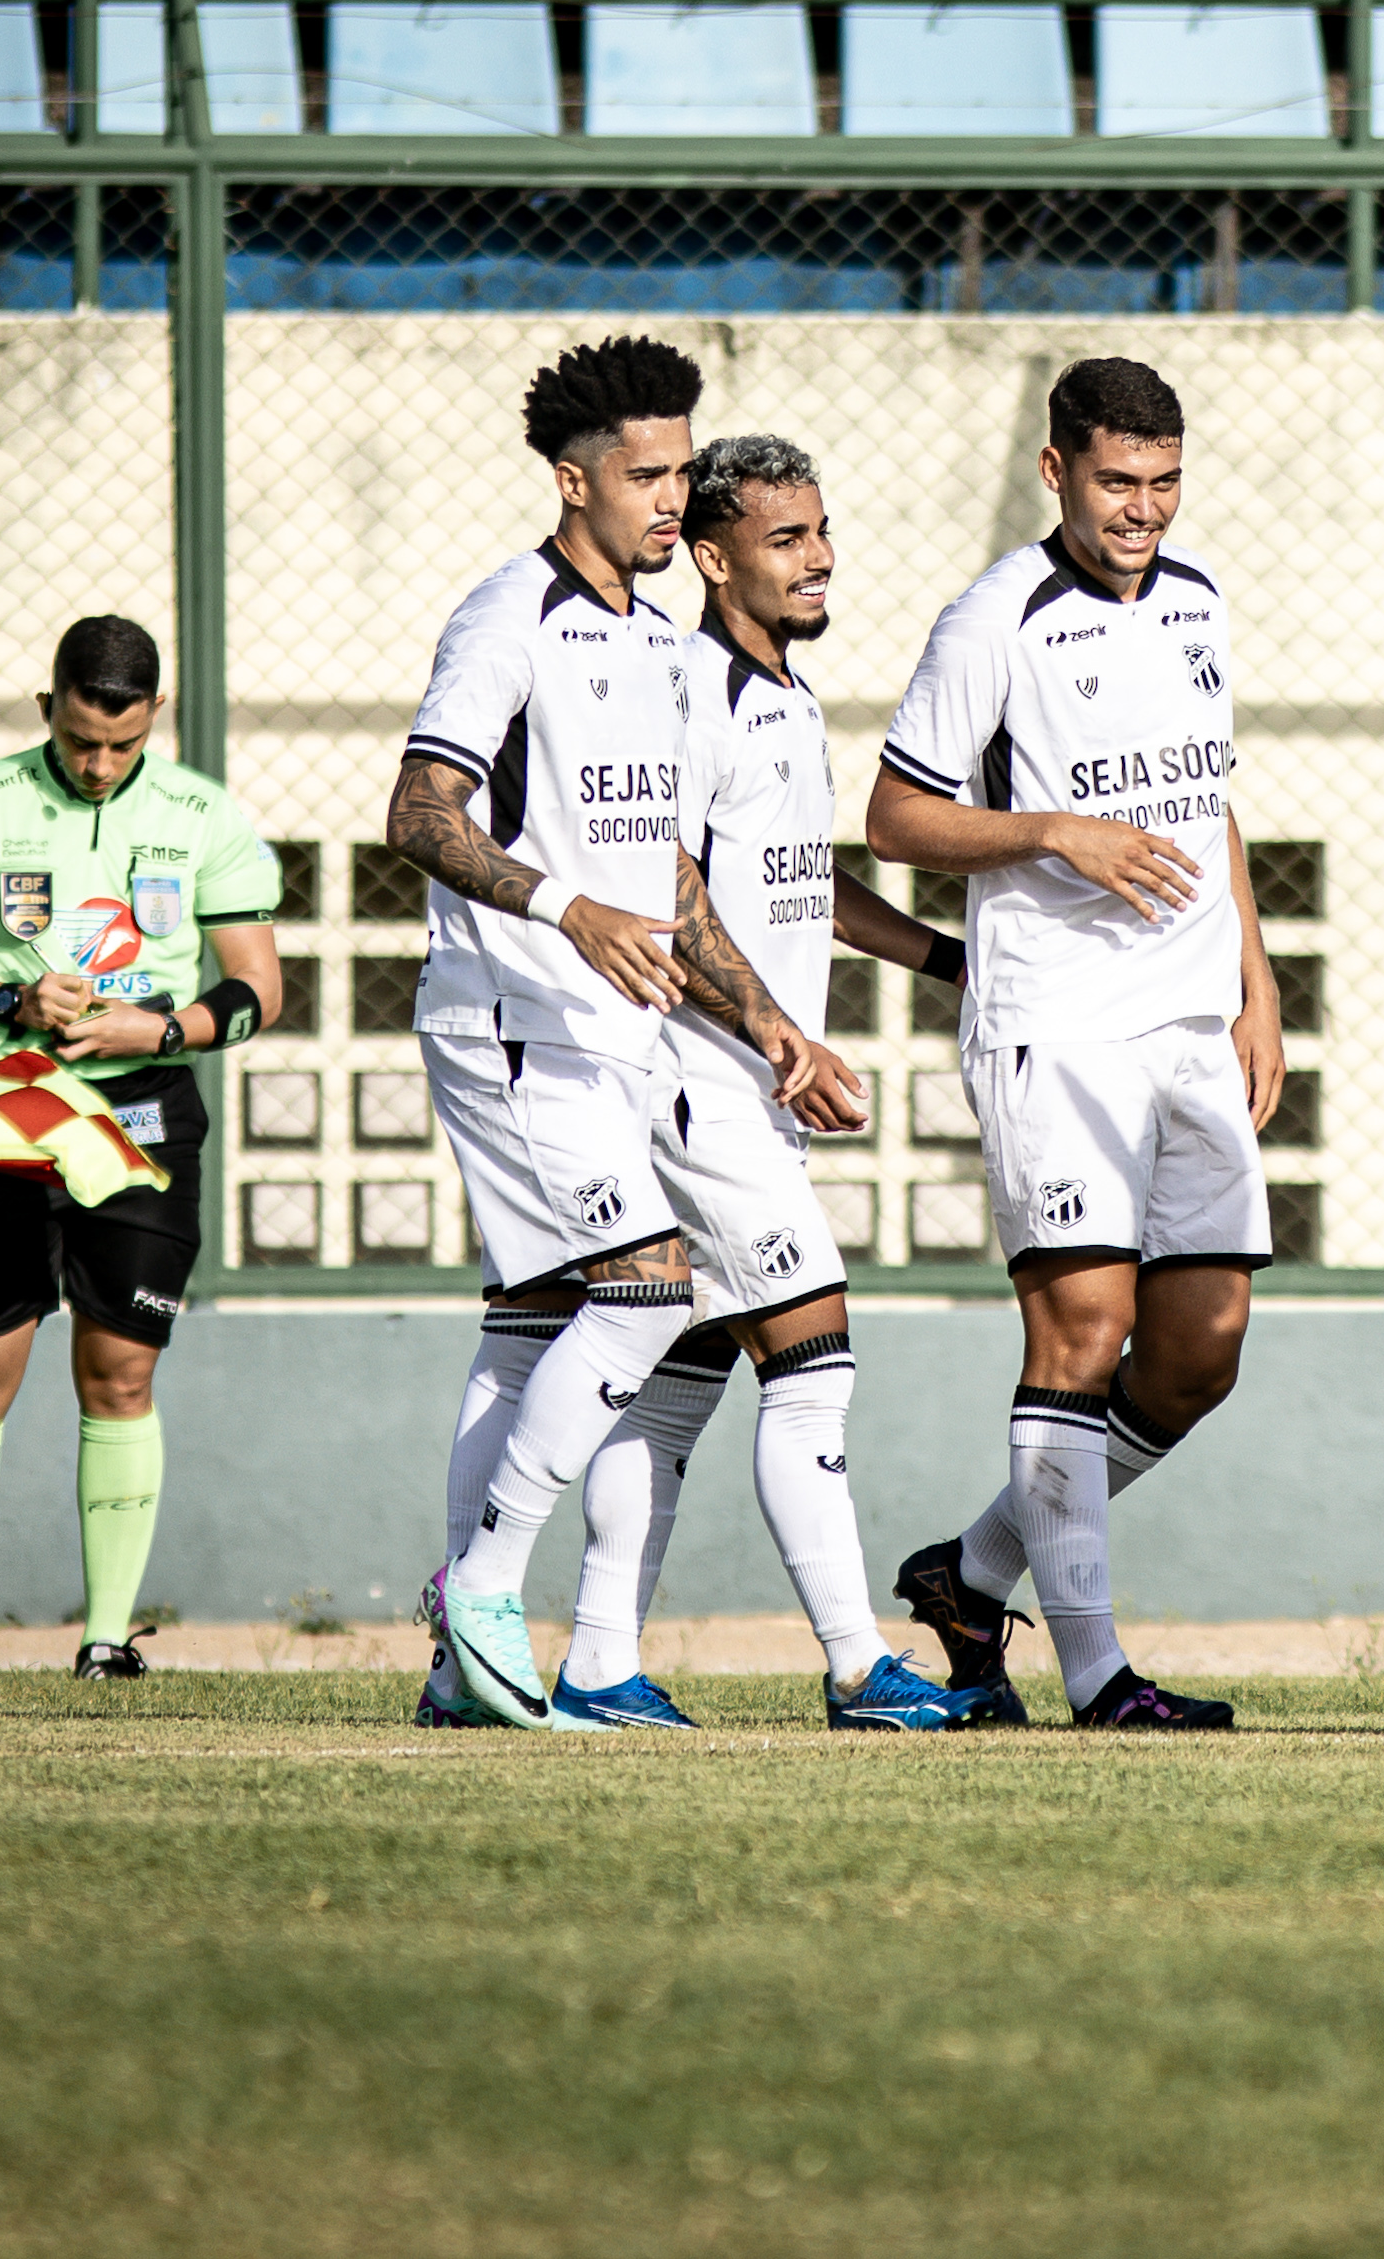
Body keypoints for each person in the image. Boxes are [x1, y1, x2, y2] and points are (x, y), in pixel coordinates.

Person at [393, 336, 847, 1730]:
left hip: (616, 1036)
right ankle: (478, 1584)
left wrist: (769, 1018)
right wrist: (564, 905)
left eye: (677, 468)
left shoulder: (663, 643)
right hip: (512, 1016)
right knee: (648, 1288)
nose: (671, 494)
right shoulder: (505, 616)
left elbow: (674, 881)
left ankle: (461, 1671)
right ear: (570, 478)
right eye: (646, 473)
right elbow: (419, 814)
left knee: (538, 1323)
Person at [542, 433, 986, 1732]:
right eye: (788, 538)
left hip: (749, 1089)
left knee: (677, 1386)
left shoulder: (783, 696)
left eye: (823, 530)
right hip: (697, 1081)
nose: (820, 556)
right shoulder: (687, 687)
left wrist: (948, 958)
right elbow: (661, 880)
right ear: (718, 553)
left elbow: (801, 882)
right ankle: (858, 1667)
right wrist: (782, 1029)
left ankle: (596, 1667)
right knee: (815, 1353)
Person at [871, 357, 1286, 1732]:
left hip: (1188, 1027)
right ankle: (1099, 1673)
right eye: (1118, 481)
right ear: (1057, 470)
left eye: (1166, 483)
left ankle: (973, 1569)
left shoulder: (1203, 597)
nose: (1144, 510)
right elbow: (894, 818)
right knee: (1086, 1325)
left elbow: (1207, 794)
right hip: (1055, 1022)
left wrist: (1257, 979)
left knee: (1200, 1347)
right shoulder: (997, 617)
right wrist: (1053, 830)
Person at [0, 617, 283, 1684]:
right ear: (47, 707)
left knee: (121, 1375)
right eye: (83, 740)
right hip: (5, 1117)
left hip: (141, 1117)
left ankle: (105, 1641)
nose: (99, 766)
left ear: (153, 723)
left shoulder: (204, 816)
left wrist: (165, 1028)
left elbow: (259, 988)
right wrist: (6, 994)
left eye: (122, 746)